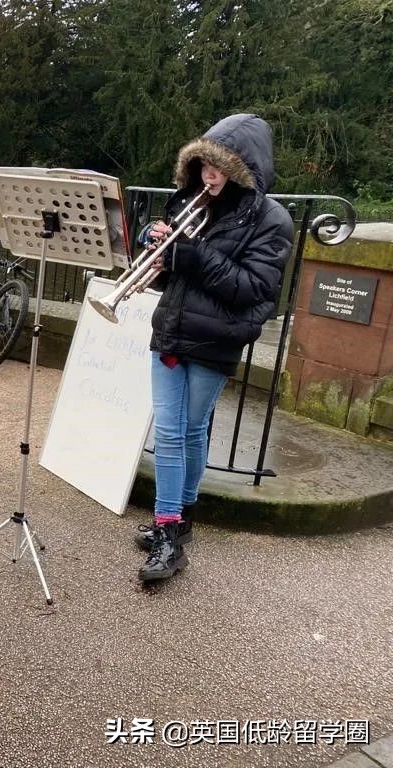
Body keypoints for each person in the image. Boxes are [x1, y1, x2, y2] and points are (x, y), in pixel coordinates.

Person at [135, 113, 293, 583]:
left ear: (245, 168)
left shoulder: (272, 220)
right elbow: (167, 273)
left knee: (190, 429)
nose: (209, 175)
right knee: (170, 429)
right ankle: (170, 528)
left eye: (220, 167)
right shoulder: (188, 202)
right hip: (171, 331)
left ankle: (178, 522)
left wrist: (194, 255)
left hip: (215, 338)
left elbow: (253, 287)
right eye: (203, 164)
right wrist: (154, 246)